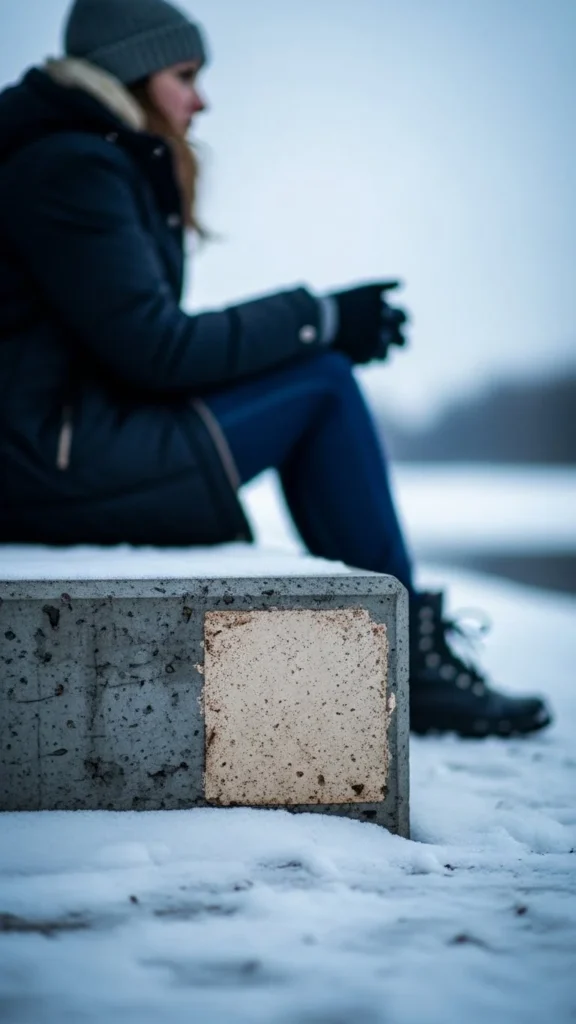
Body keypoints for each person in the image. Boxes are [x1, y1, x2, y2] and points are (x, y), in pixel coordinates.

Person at [0, 0, 551, 738]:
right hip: (54, 464)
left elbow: (131, 348)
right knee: (322, 386)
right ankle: (410, 661)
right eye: (185, 75)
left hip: (60, 446)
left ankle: (398, 644)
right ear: (130, 72)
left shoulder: (76, 155)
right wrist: (316, 318)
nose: (202, 99)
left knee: (317, 373)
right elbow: (152, 350)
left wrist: (311, 329)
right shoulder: (71, 166)